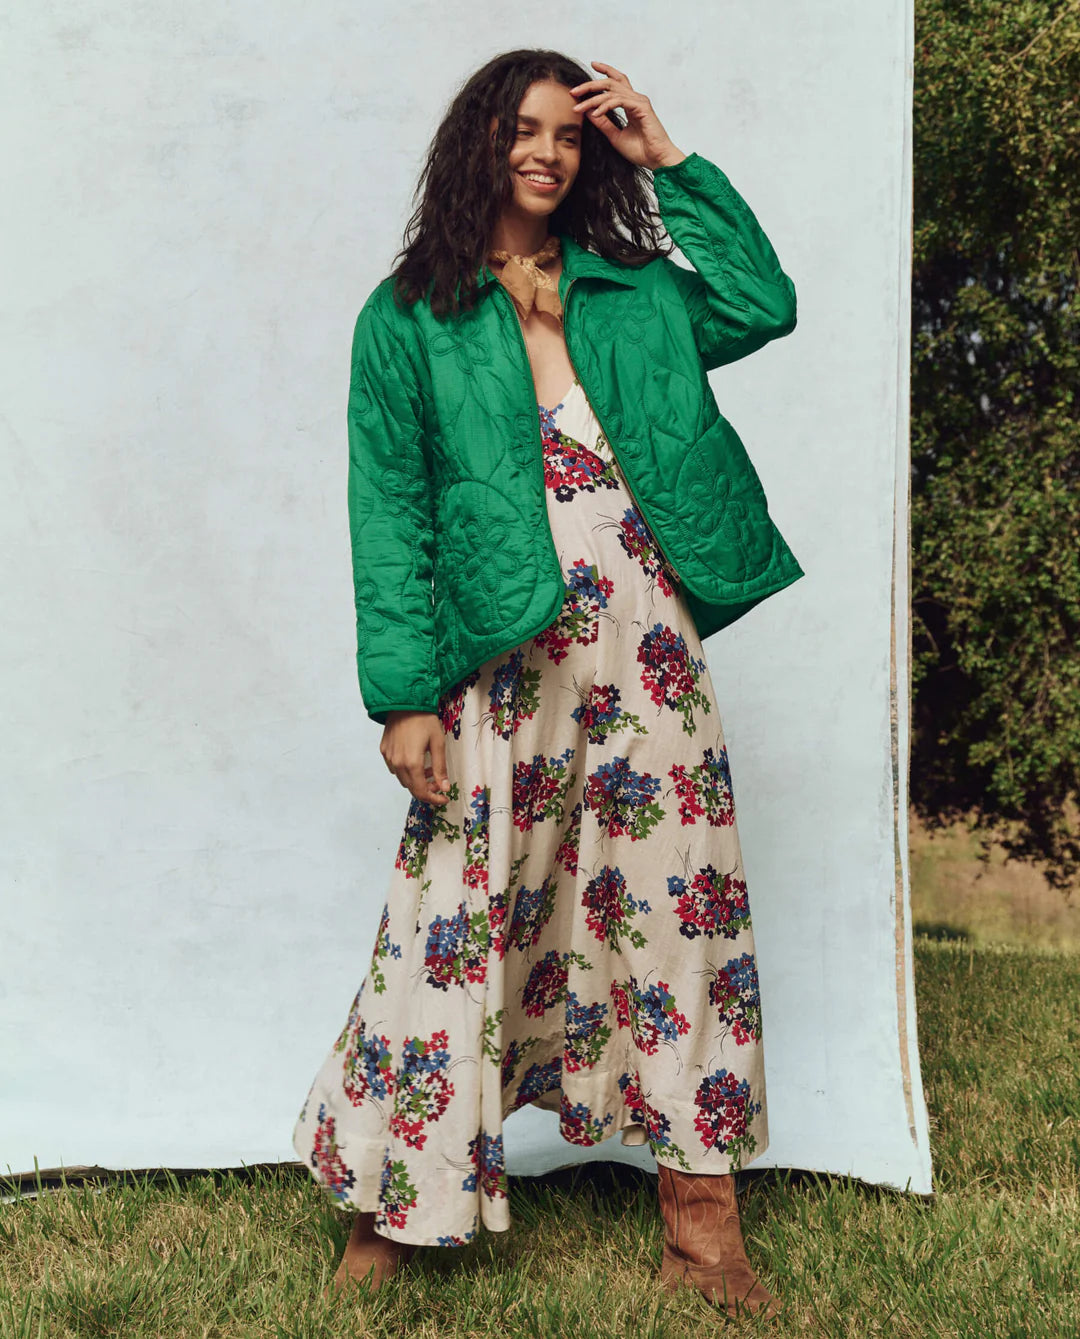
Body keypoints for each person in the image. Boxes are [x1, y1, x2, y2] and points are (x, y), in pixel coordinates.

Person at [293, 47, 803, 1321]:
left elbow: (764, 299)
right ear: (478, 141)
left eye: (567, 135)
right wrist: (405, 692)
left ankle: (703, 1224)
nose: (547, 152)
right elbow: (389, 507)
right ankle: (397, 1203)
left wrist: (666, 158)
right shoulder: (406, 313)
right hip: (498, 656)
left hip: (647, 641)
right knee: (455, 912)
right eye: (523, 129)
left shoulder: (633, 294)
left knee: (679, 914)